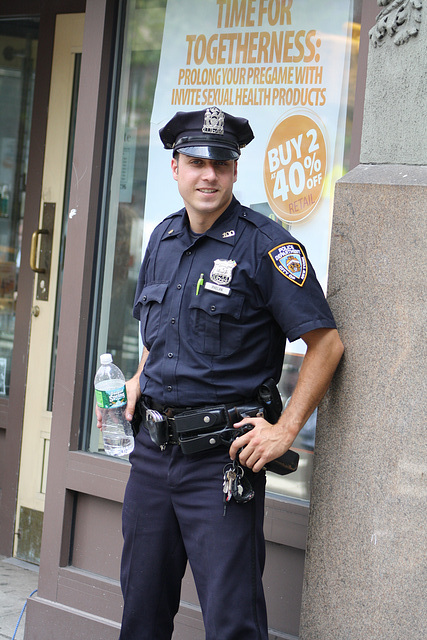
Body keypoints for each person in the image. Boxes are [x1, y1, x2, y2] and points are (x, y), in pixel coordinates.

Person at [99, 106, 344, 640]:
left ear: (235, 171)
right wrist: (140, 378)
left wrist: (283, 432)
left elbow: (326, 345)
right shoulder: (162, 239)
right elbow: (159, 334)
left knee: (232, 624)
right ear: (175, 168)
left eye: (222, 163)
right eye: (196, 162)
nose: (208, 174)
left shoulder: (268, 247)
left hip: (222, 462)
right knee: (140, 614)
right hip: (151, 456)